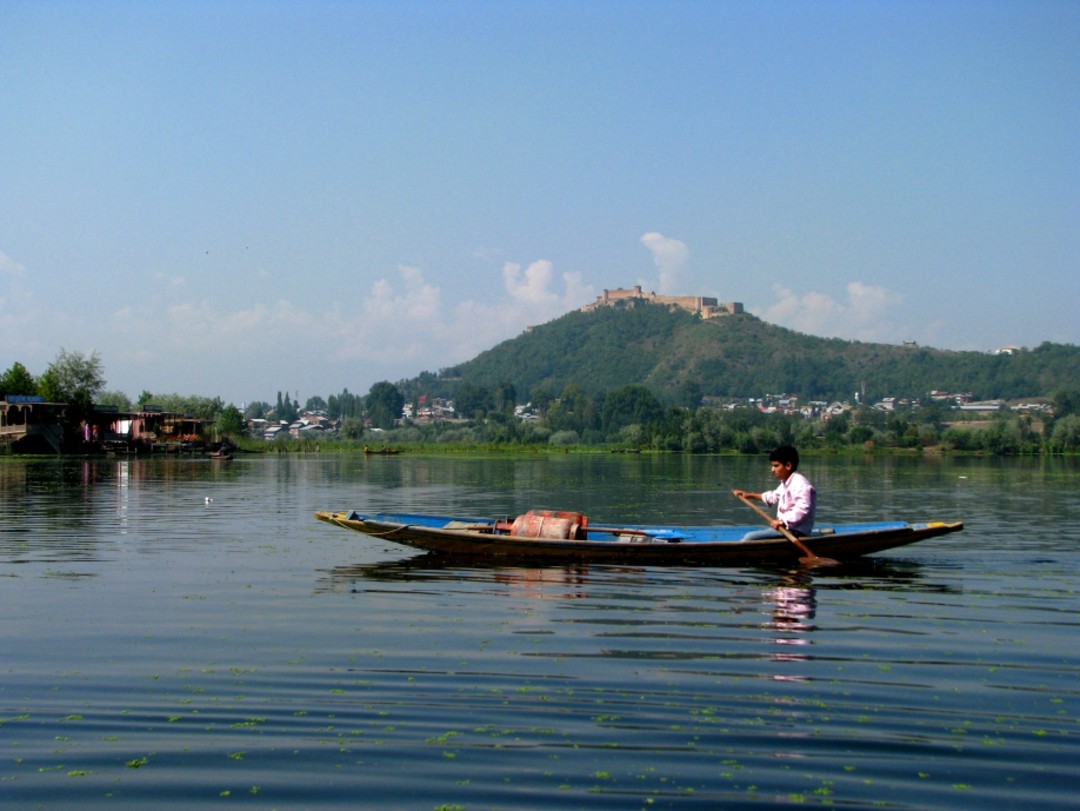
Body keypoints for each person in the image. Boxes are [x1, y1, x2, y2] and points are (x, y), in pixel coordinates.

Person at [732, 446, 815, 540]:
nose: (772, 470)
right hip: (785, 529)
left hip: (796, 531)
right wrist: (749, 495)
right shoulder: (786, 483)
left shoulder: (801, 484)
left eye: (776, 466)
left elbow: (803, 509)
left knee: (749, 538)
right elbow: (772, 496)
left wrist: (783, 522)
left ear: (788, 466)